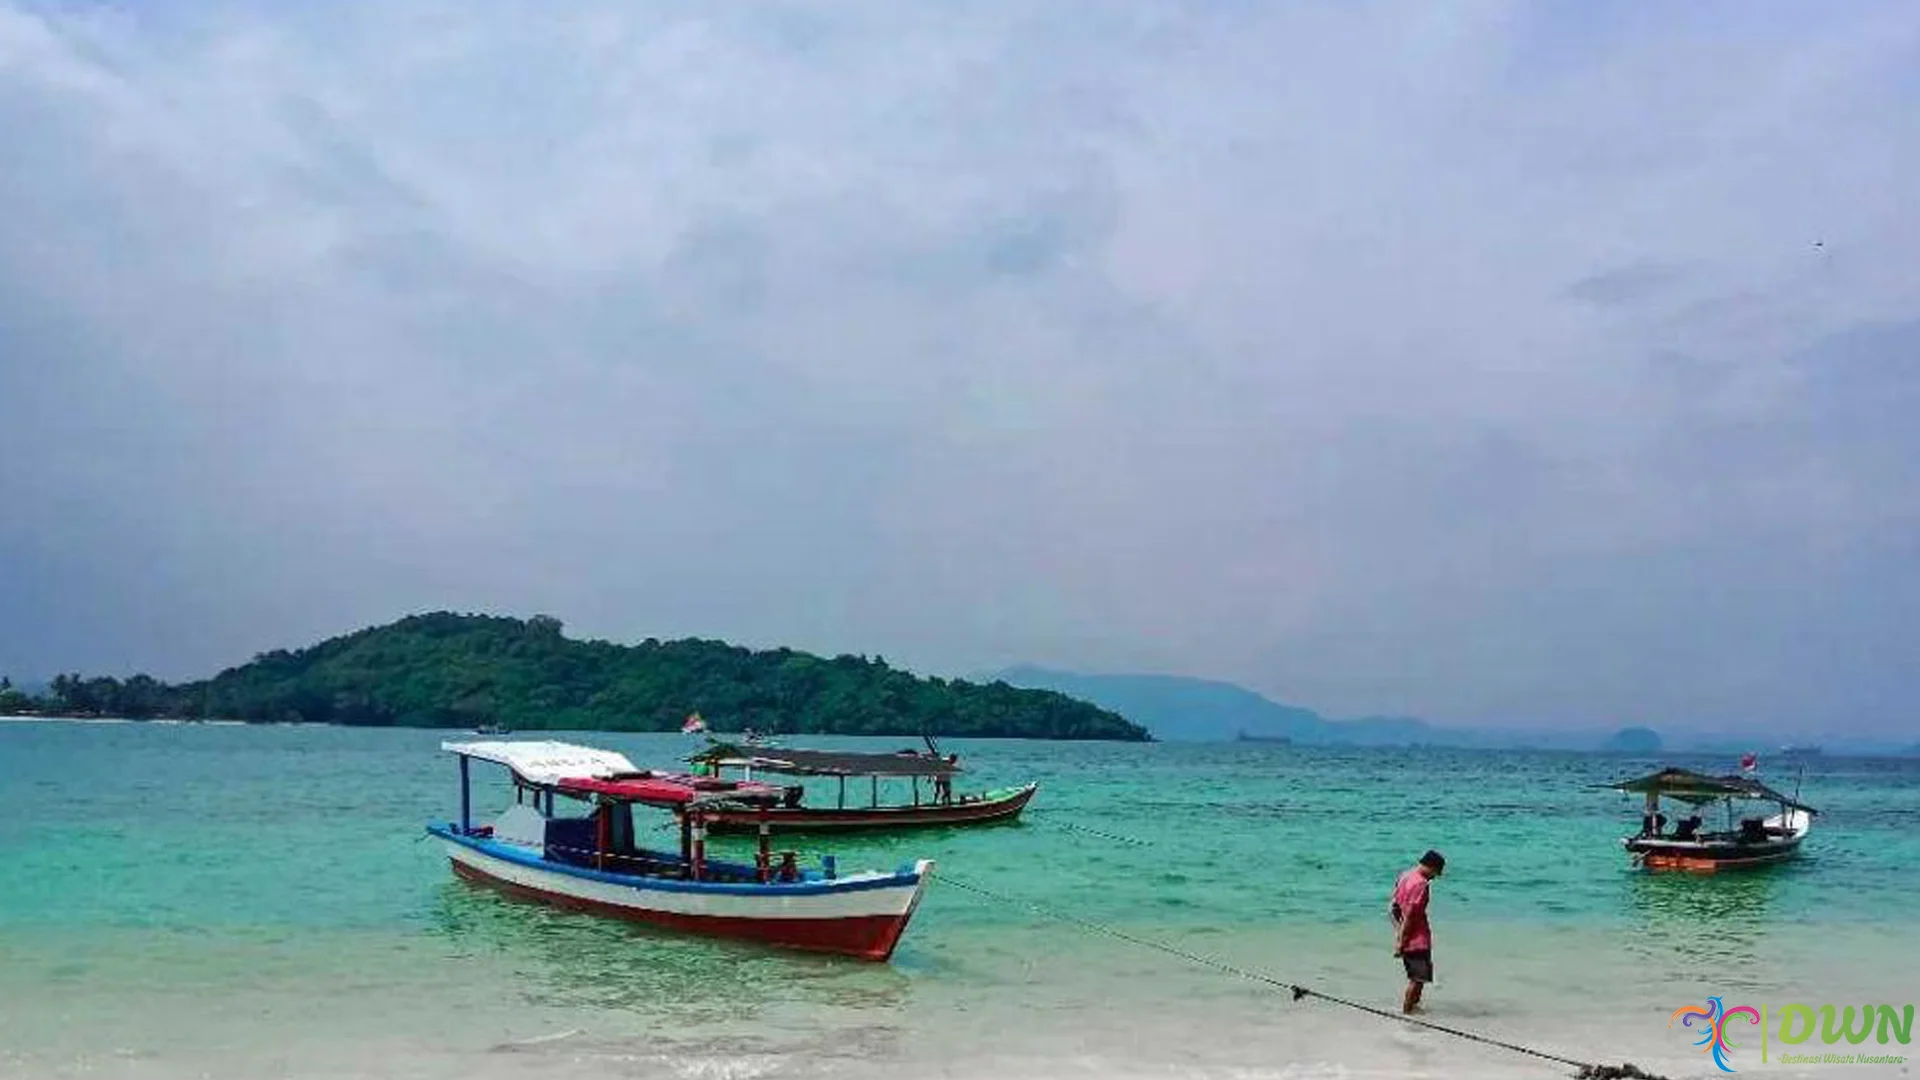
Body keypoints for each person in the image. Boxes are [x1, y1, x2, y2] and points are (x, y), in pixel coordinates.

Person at [1389, 850, 1445, 1014]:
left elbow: (1393, 907)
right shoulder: (1421, 884)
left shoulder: (1405, 876)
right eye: (1437, 871)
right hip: (1416, 937)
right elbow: (1411, 915)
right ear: (1431, 867)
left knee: (1417, 977)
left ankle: (1414, 1010)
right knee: (1418, 979)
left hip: (1406, 932)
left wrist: (1398, 931)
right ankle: (1407, 1014)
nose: (1436, 876)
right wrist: (1401, 942)